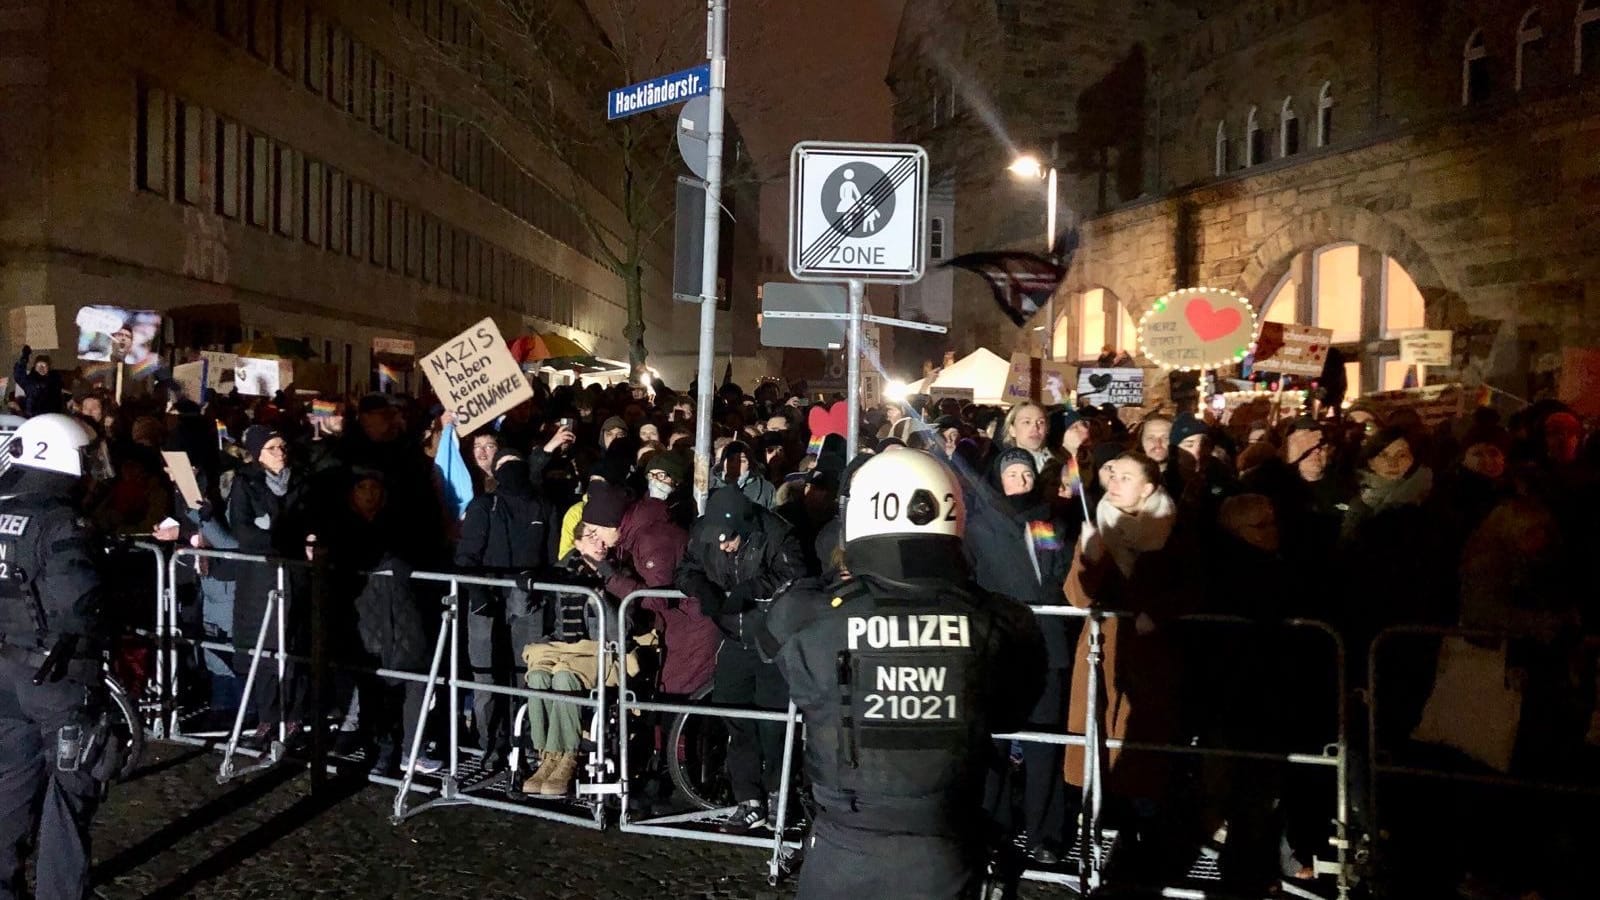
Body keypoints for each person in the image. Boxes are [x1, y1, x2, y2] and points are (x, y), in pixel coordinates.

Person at [762, 450, 1046, 898]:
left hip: (844, 847)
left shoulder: (811, 616)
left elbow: (782, 650)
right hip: (945, 849)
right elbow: (1014, 709)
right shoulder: (998, 620)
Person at [0, 414, 113, 900]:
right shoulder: (64, 523)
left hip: (9, 673)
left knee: (10, 792)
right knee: (72, 794)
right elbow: (81, 604)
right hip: (61, 678)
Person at [966, 447, 1080, 865]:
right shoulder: (979, 527)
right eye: (1013, 473)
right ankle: (993, 825)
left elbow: (1057, 574)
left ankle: (1044, 833)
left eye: (1027, 472)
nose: (1022, 480)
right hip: (999, 646)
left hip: (1046, 645)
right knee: (994, 742)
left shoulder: (1049, 520)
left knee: (1044, 744)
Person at [676, 487, 804, 829]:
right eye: (717, 541)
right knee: (735, 718)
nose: (723, 546)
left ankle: (779, 794)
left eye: (730, 540)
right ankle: (748, 799)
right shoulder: (705, 533)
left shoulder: (775, 533)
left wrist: (751, 591)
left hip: (772, 641)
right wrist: (702, 589)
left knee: (774, 724)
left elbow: (795, 575)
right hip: (732, 637)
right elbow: (686, 568)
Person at [11, 347, 65, 417]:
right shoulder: (30, 381)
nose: (41, 368)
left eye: (44, 366)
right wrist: (25, 356)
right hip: (32, 417)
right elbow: (18, 375)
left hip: (51, 417)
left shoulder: (55, 381)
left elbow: (59, 399)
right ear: (35, 367)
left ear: (48, 368)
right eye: (38, 365)